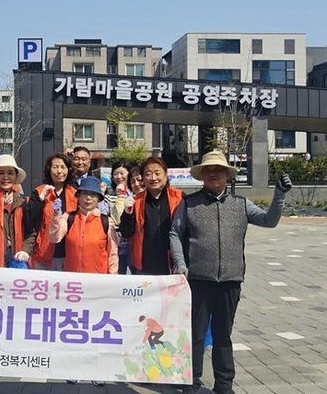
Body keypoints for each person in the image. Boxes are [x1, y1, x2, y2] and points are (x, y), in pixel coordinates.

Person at [170, 151, 292, 394]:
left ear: (227, 174)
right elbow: (175, 233)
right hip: (198, 280)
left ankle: (224, 385)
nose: (213, 173)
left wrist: (279, 194)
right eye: (208, 170)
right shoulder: (189, 203)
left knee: (223, 335)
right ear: (202, 175)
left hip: (230, 280)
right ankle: (190, 382)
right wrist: (181, 264)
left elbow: (269, 221)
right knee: (195, 334)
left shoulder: (241, 204)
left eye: (218, 170)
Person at [119, 157, 182, 275]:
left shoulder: (179, 197)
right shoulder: (136, 201)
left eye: (157, 173)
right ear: (143, 178)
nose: (153, 178)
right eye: (148, 174)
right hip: (144, 265)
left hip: (173, 264)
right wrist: (127, 213)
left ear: (165, 174)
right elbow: (126, 233)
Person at [48, 177, 118, 274]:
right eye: (85, 193)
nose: (88, 198)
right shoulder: (68, 217)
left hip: (98, 278)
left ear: (98, 198)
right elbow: (54, 238)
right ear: (78, 196)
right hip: (73, 278)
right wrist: (56, 215)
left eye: (93, 194)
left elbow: (113, 252)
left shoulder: (106, 221)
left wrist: (113, 276)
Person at [29, 153, 77, 271]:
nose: (59, 171)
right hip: (44, 252)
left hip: (68, 254)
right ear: (49, 170)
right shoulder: (39, 192)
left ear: (68, 170)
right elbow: (29, 217)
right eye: (55, 167)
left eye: (63, 167)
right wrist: (40, 199)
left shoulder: (75, 194)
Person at [105, 161, 132, 274]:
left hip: (132, 242)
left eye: (122, 173)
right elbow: (116, 219)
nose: (119, 177)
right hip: (116, 242)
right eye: (115, 174)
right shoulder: (108, 197)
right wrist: (120, 196)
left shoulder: (135, 195)